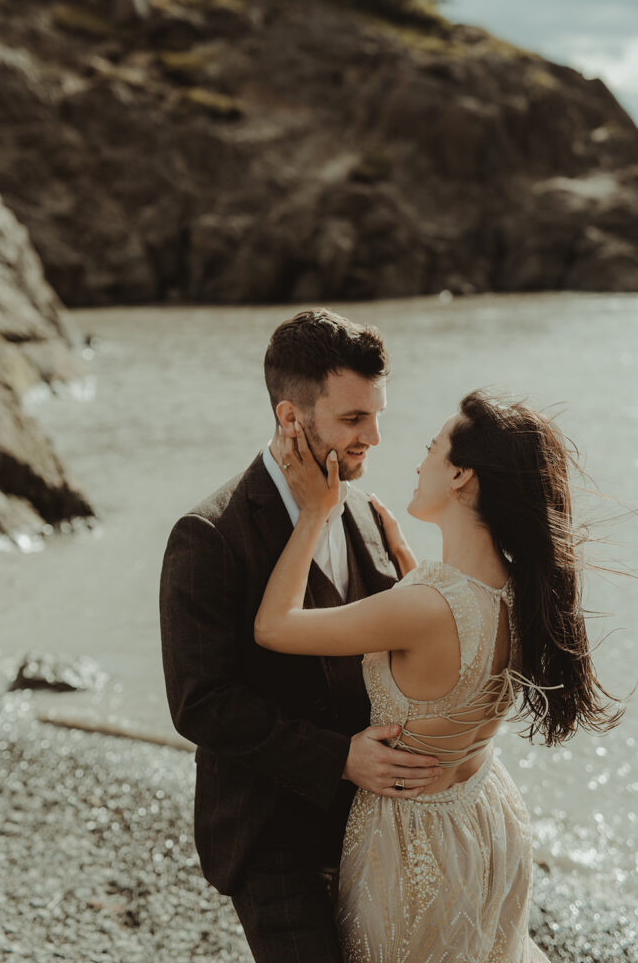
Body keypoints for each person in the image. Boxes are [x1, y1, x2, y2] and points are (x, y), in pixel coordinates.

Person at [255, 390, 623, 962]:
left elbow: (275, 627)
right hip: (486, 816)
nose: (417, 461)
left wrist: (313, 514)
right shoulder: (524, 589)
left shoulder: (425, 605)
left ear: (459, 475)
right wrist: (409, 566)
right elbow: (458, 653)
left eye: (431, 449)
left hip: (415, 841)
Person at [159, 308, 441, 963]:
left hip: (372, 824)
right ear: (291, 418)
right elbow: (200, 701)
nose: (372, 437)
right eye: (352, 420)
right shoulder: (208, 535)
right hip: (267, 833)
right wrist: (337, 756)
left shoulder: (370, 513)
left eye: (376, 416)